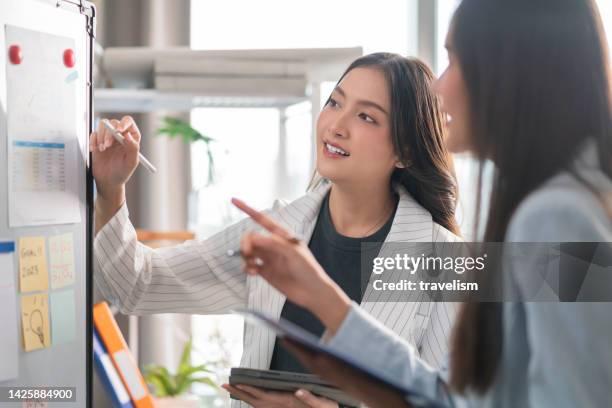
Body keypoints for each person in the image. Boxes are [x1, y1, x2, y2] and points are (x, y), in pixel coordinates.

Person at [234, 0, 612, 406]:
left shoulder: (555, 217)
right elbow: (457, 399)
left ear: (511, 71)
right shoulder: (562, 206)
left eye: (455, 60)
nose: (438, 87)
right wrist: (325, 300)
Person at [90, 53, 462, 407]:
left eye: (366, 117)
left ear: (406, 153)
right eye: (335, 102)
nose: (336, 125)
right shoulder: (274, 233)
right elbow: (138, 285)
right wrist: (111, 189)